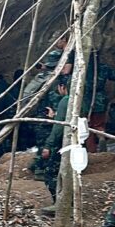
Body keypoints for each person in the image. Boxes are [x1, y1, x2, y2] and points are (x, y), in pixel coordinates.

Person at [40, 78, 71, 213]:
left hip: (62, 144)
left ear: (62, 87)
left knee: (51, 173)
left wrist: (48, 145)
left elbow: (59, 128)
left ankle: (59, 204)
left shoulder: (65, 101)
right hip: (74, 143)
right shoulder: (81, 100)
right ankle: (68, 203)